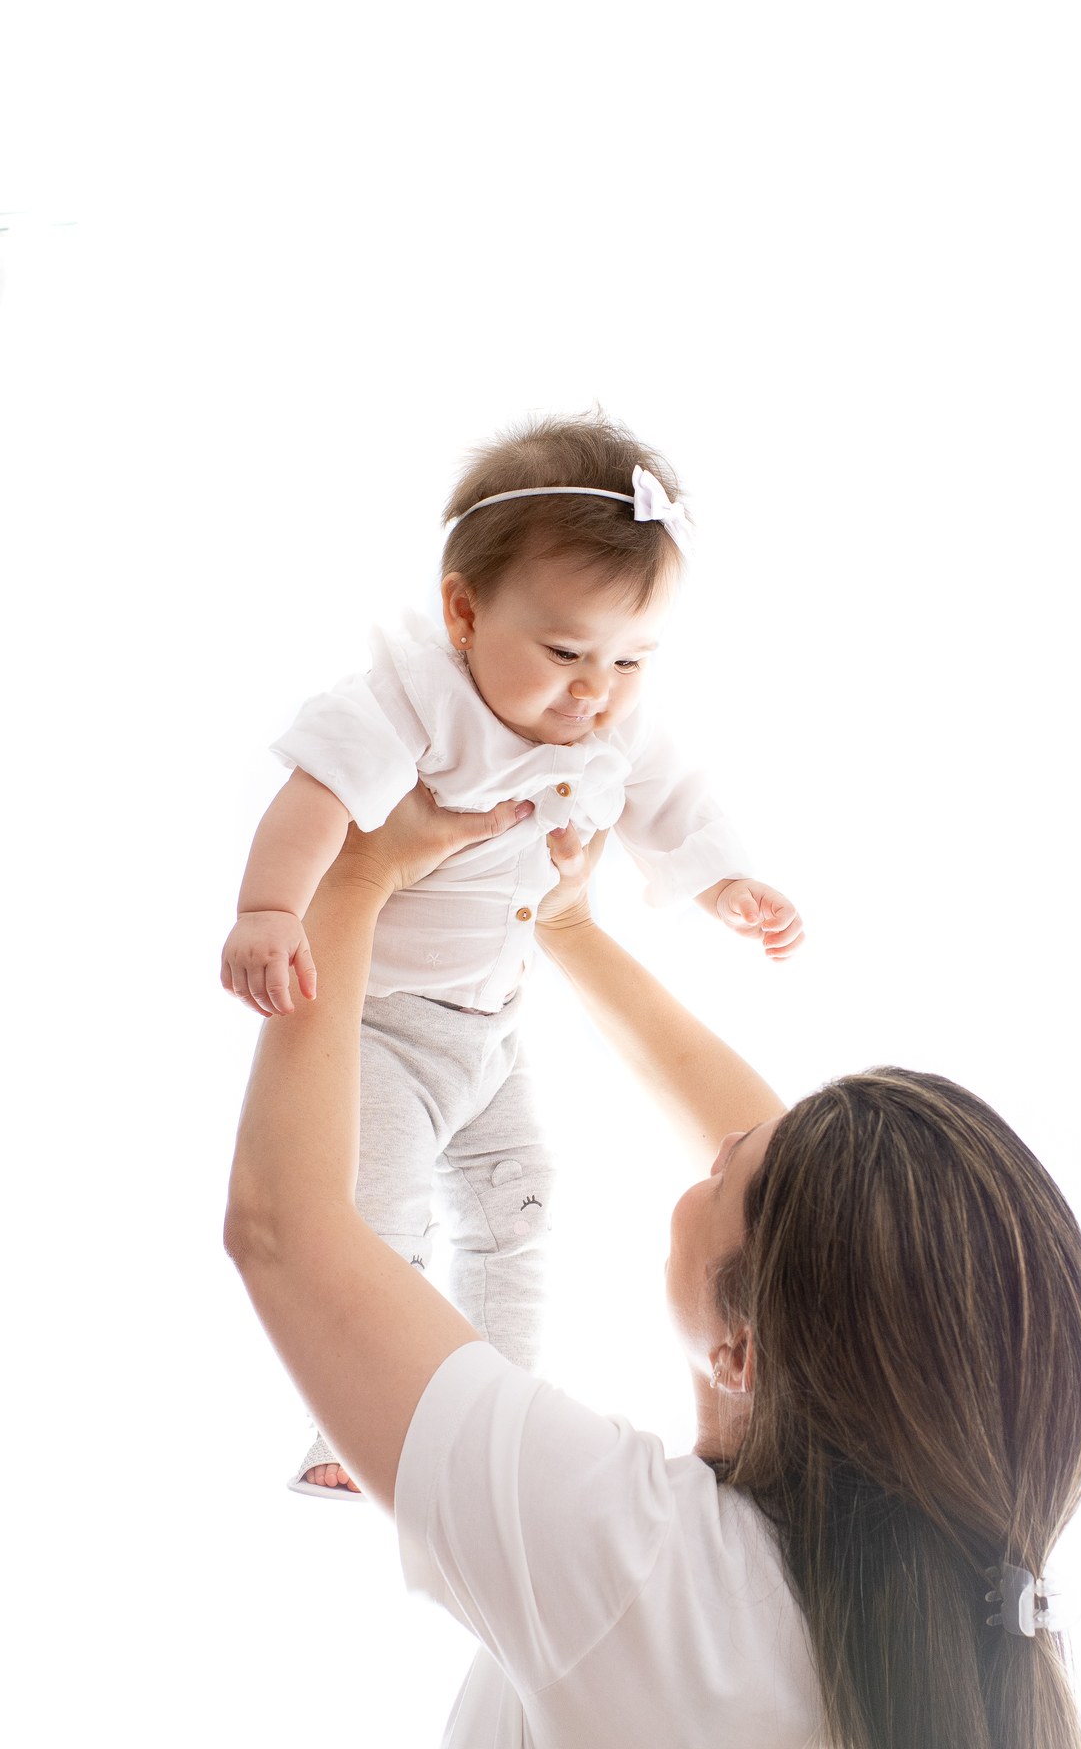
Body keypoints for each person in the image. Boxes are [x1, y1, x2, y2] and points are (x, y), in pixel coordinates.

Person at [225, 786, 1081, 1749]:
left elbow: (287, 1229)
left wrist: (354, 876)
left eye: (725, 1169)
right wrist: (564, 926)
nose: (717, 1148)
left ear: (743, 1349)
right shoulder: (950, 1622)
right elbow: (821, 1249)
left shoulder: (629, 1561)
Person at [220, 411, 802, 1492]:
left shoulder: (611, 725)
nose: (598, 690)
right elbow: (313, 799)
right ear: (463, 610)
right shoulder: (415, 702)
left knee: (519, 1203)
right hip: (379, 1024)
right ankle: (352, 1424)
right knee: (375, 1216)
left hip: (493, 1025)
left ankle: (502, 1403)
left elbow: (674, 801)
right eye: (567, 652)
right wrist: (269, 912)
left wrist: (729, 884)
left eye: (632, 658)